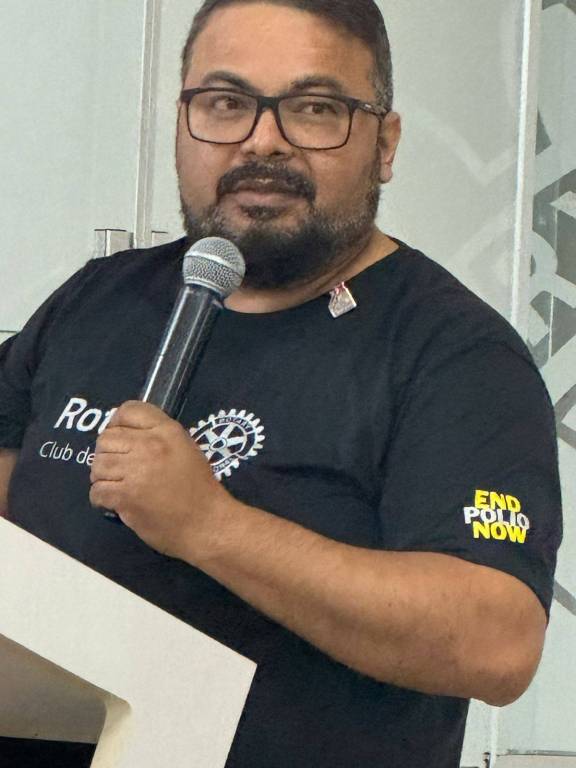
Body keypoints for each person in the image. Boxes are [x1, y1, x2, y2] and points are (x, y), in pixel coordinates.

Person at [0, 1, 563, 766]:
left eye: (314, 109)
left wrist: (212, 527)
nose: (263, 141)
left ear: (385, 144)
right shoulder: (97, 298)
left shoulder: (455, 355)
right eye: (225, 103)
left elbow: (496, 643)